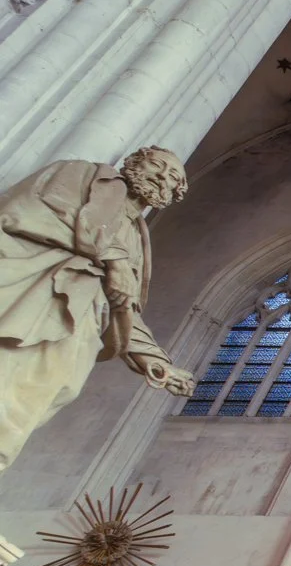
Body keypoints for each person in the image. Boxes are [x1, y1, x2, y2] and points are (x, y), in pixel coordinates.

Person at [0, 147, 196, 468]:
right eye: (157, 165)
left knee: (19, 416)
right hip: (38, 300)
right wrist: (114, 260)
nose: (163, 177)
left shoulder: (137, 237)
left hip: (77, 332)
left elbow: (124, 305)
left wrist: (157, 362)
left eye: (174, 177)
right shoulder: (84, 175)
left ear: (175, 193)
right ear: (134, 162)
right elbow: (36, 209)